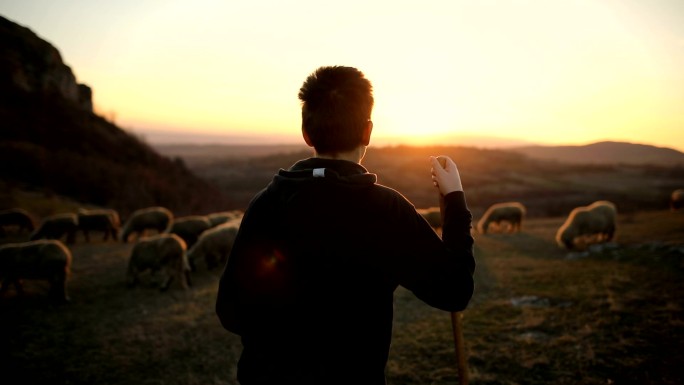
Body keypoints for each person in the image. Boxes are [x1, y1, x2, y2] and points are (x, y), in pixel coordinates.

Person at [216, 65, 475, 385]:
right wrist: (454, 199)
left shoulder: (266, 204)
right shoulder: (386, 210)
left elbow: (230, 311)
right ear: (367, 131)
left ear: (306, 132)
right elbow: (455, 290)